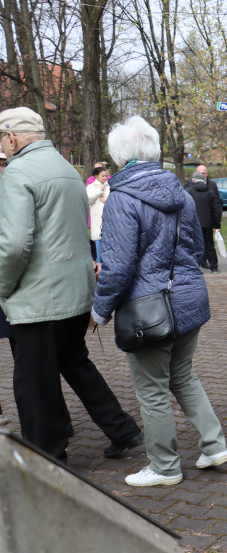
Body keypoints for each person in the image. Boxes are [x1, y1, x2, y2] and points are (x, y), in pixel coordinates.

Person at [0, 106, 143, 465]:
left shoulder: (17, 173)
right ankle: (121, 428)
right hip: (75, 290)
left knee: (33, 384)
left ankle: (49, 461)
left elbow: (15, 244)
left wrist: (2, 287)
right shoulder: (66, 169)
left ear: (12, 137)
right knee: (75, 364)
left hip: (39, 297)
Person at [91, 115, 227, 487]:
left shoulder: (121, 199)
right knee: (183, 375)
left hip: (148, 307)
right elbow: (196, 249)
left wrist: (99, 310)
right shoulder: (181, 193)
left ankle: (165, 467)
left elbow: (118, 267)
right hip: (189, 297)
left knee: (151, 389)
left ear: (120, 156)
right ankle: (214, 445)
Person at [184, 168, 223, 273]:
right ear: (204, 180)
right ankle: (214, 267)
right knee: (209, 245)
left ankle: (193, 267)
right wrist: (216, 224)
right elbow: (216, 209)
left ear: (193, 180)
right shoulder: (210, 193)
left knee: (192, 245)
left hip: (192, 223)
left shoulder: (188, 192)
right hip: (207, 223)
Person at [86, 166, 110, 262]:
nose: (105, 177)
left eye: (106, 175)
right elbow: (88, 199)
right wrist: (99, 190)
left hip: (109, 218)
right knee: (97, 241)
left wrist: (106, 200)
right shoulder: (91, 187)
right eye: (102, 176)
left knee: (108, 242)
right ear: (96, 176)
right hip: (97, 219)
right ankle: (99, 264)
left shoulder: (109, 186)